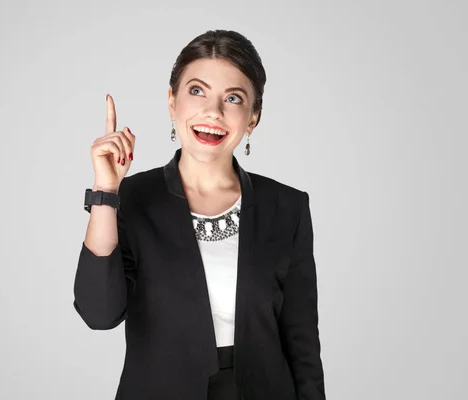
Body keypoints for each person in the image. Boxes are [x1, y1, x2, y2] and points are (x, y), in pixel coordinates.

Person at [73, 29, 326, 400]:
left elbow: (302, 341)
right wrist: (107, 193)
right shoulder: (134, 199)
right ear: (172, 101)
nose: (213, 111)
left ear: (253, 118)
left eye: (234, 98)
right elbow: (99, 313)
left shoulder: (287, 207)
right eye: (197, 91)